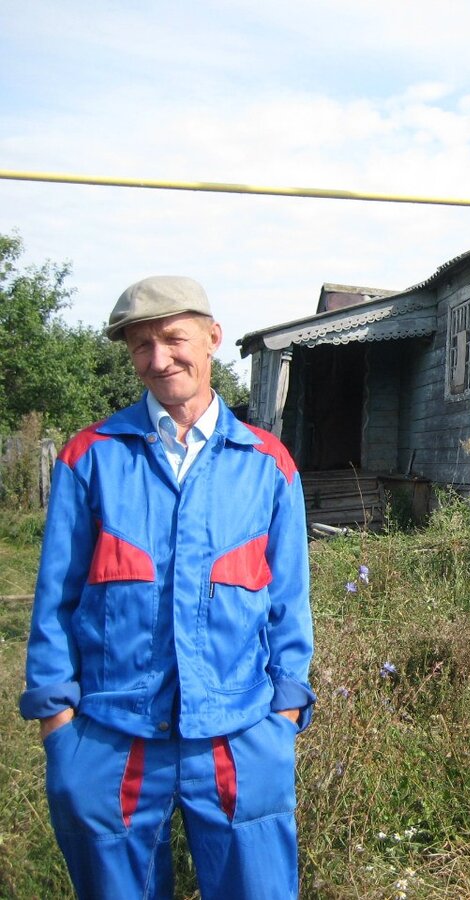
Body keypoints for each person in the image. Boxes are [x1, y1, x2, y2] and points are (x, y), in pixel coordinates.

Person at [19, 276, 315, 899]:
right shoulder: (90, 457)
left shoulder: (267, 464)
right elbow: (56, 601)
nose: (158, 360)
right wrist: (58, 726)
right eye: (139, 345)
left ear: (212, 339)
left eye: (173, 338)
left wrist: (282, 719)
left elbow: (290, 607)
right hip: (111, 735)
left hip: (239, 737)